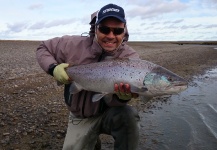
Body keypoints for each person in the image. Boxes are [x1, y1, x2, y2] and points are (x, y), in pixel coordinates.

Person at [36, 3, 140, 150]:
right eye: (104, 29)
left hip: (108, 113)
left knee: (129, 116)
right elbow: (43, 48)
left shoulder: (130, 57)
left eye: (117, 30)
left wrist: (123, 97)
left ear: (124, 31)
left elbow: (120, 100)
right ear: (96, 28)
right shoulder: (72, 44)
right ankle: (92, 140)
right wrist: (53, 69)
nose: (111, 36)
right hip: (80, 118)